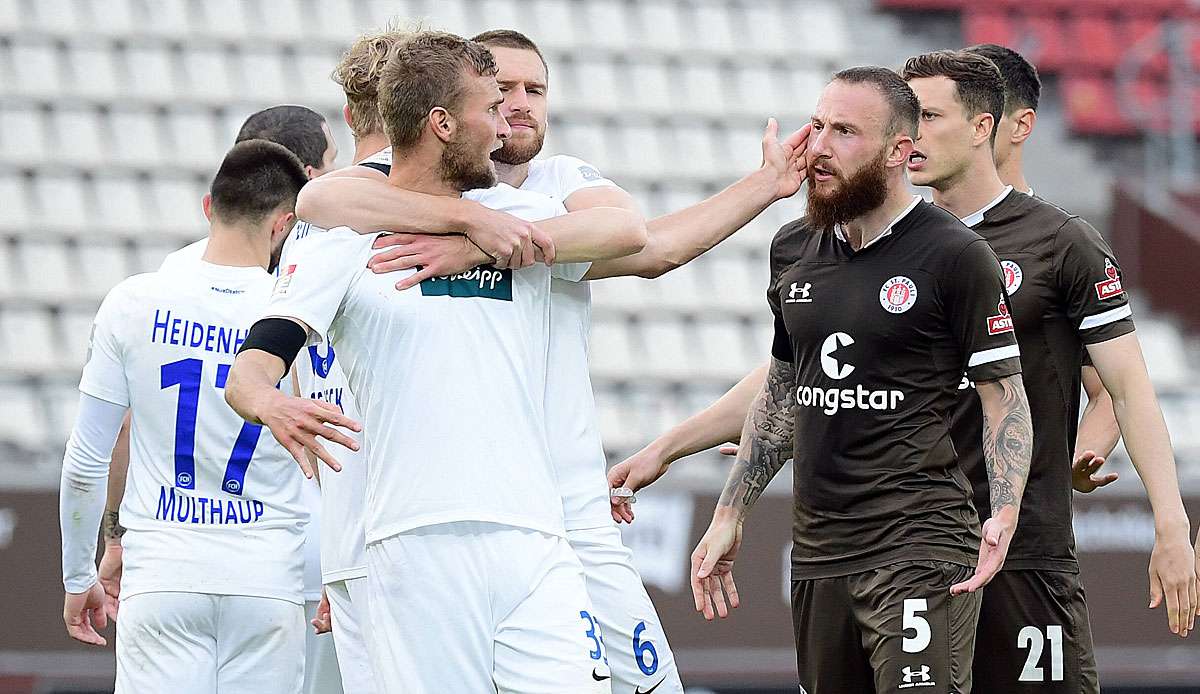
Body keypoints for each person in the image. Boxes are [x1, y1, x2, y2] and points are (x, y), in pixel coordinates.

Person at [295, 28, 808, 694]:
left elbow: (648, 244)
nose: (517, 106)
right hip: (410, 527)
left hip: (556, 514)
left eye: (534, 90)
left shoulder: (555, 188)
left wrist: (489, 240)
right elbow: (322, 205)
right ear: (448, 110)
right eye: (500, 90)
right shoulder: (370, 201)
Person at [225, 31, 645, 693]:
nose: (506, 119)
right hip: (412, 545)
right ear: (442, 124)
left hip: (535, 540)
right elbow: (252, 365)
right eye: (490, 105)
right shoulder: (345, 236)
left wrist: (480, 240)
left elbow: (632, 232)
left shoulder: (521, 216)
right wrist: (272, 402)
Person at [687, 66, 1033, 693]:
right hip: (818, 553)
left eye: (844, 132)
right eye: (817, 126)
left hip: (920, 544)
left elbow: (1002, 393)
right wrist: (729, 513)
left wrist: (1005, 509)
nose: (819, 146)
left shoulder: (955, 254)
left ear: (900, 151)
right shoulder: (794, 247)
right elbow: (784, 392)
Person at [902, 50, 1196, 693]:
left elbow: (1120, 389)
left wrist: (1168, 522)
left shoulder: (1062, 243)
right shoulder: (893, 243)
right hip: (909, 547)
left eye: (931, 115)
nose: (916, 133)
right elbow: (812, 364)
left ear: (1003, 123)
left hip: (1025, 546)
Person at [98, 102, 347, 694]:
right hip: (297, 553)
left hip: (179, 551)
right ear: (308, 184)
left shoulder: (168, 279)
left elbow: (128, 424)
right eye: (333, 165)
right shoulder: (326, 278)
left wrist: (116, 536)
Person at [962, 43, 1121, 492]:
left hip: (1026, 528)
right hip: (913, 525)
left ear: (1020, 125)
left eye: (980, 116)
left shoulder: (1061, 243)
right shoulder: (908, 240)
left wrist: (1076, 456)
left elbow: (1114, 388)